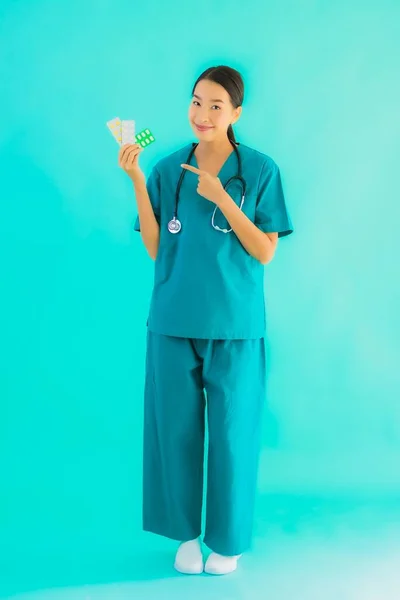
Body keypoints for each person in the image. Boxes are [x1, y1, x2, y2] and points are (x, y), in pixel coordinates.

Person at [119, 65, 294, 576]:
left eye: (216, 105)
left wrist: (221, 198)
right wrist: (135, 178)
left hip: (236, 327)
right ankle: (185, 537)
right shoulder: (166, 169)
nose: (202, 114)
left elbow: (264, 251)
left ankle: (228, 541)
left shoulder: (260, 171)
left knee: (233, 437)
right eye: (197, 102)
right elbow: (157, 248)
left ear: (236, 113)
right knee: (172, 432)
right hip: (173, 322)